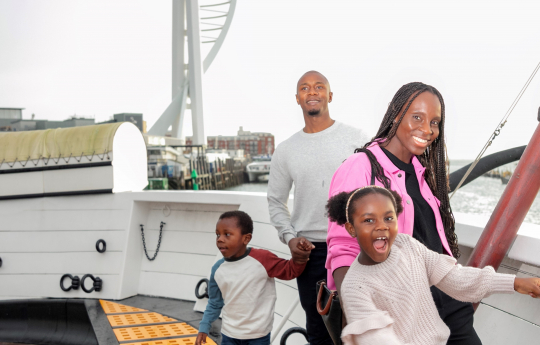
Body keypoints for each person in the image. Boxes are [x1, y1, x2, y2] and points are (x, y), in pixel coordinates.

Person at [327, 82, 487, 344]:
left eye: (434, 122)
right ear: (396, 113)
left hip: (450, 304)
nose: (427, 129)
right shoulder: (361, 166)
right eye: (417, 117)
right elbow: (343, 248)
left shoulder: (424, 174)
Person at [326, 186, 540, 345]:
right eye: (368, 220)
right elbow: (377, 339)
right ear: (351, 229)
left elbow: (455, 278)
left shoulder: (407, 246)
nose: (381, 227)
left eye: (388, 218)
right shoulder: (355, 286)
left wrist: (515, 283)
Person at [268, 71, 368, 345]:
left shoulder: (356, 138)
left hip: (354, 247)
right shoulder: (286, 150)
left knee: (359, 325)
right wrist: (289, 238)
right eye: (305, 88)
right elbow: (276, 202)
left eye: (319, 86)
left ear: (330, 95)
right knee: (317, 330)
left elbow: (377, 188)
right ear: (298, 98)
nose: (312, 92)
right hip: (310, 252)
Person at [196, 210, 309, 345]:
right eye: (217, 234)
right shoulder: (217, 269)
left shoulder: (263, 259)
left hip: (258, 335)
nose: (220, 239)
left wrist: (301, 256)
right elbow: (215, 302)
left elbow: (289, 270)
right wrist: (204, 326)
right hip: (229, 334)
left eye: (227, 234)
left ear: (246, 239)